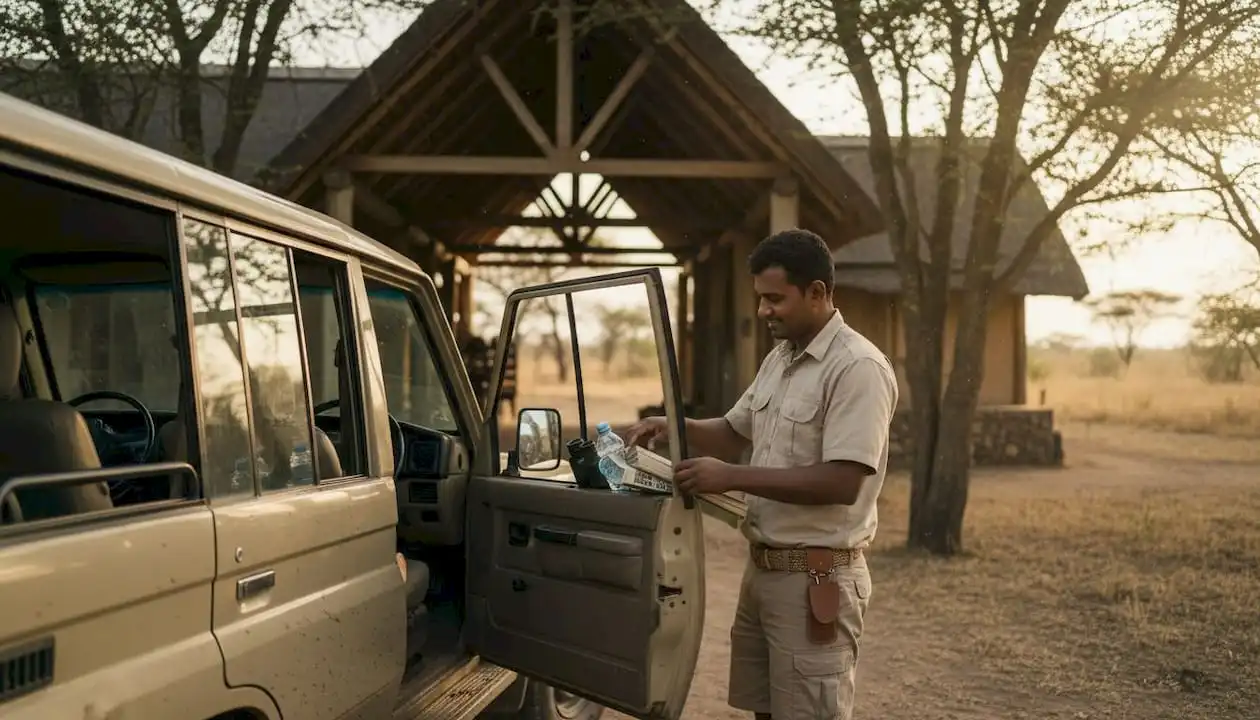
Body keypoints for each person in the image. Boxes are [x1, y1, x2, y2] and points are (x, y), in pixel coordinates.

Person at [625, 228, 897, 720]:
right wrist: (673, 425)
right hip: (766, 571)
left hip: (817, 576)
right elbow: (733, 430)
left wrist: (730, 477)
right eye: (760, 298)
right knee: (765, 712)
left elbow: (842, 482)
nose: (763, 311)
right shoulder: (782, 358)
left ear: (817, 292)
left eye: (775, 299)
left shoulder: (858, 368)